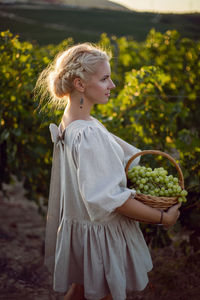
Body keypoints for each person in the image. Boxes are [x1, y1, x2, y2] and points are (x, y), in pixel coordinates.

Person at [35, 43, 180, 300]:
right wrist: (162, 219)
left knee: (79, 291)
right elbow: (111, 200)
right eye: (104, 79)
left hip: (85, 229)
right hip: (99, 238)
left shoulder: (74, 122)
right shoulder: (88, 133)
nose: (112, 85)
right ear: (80, 84)